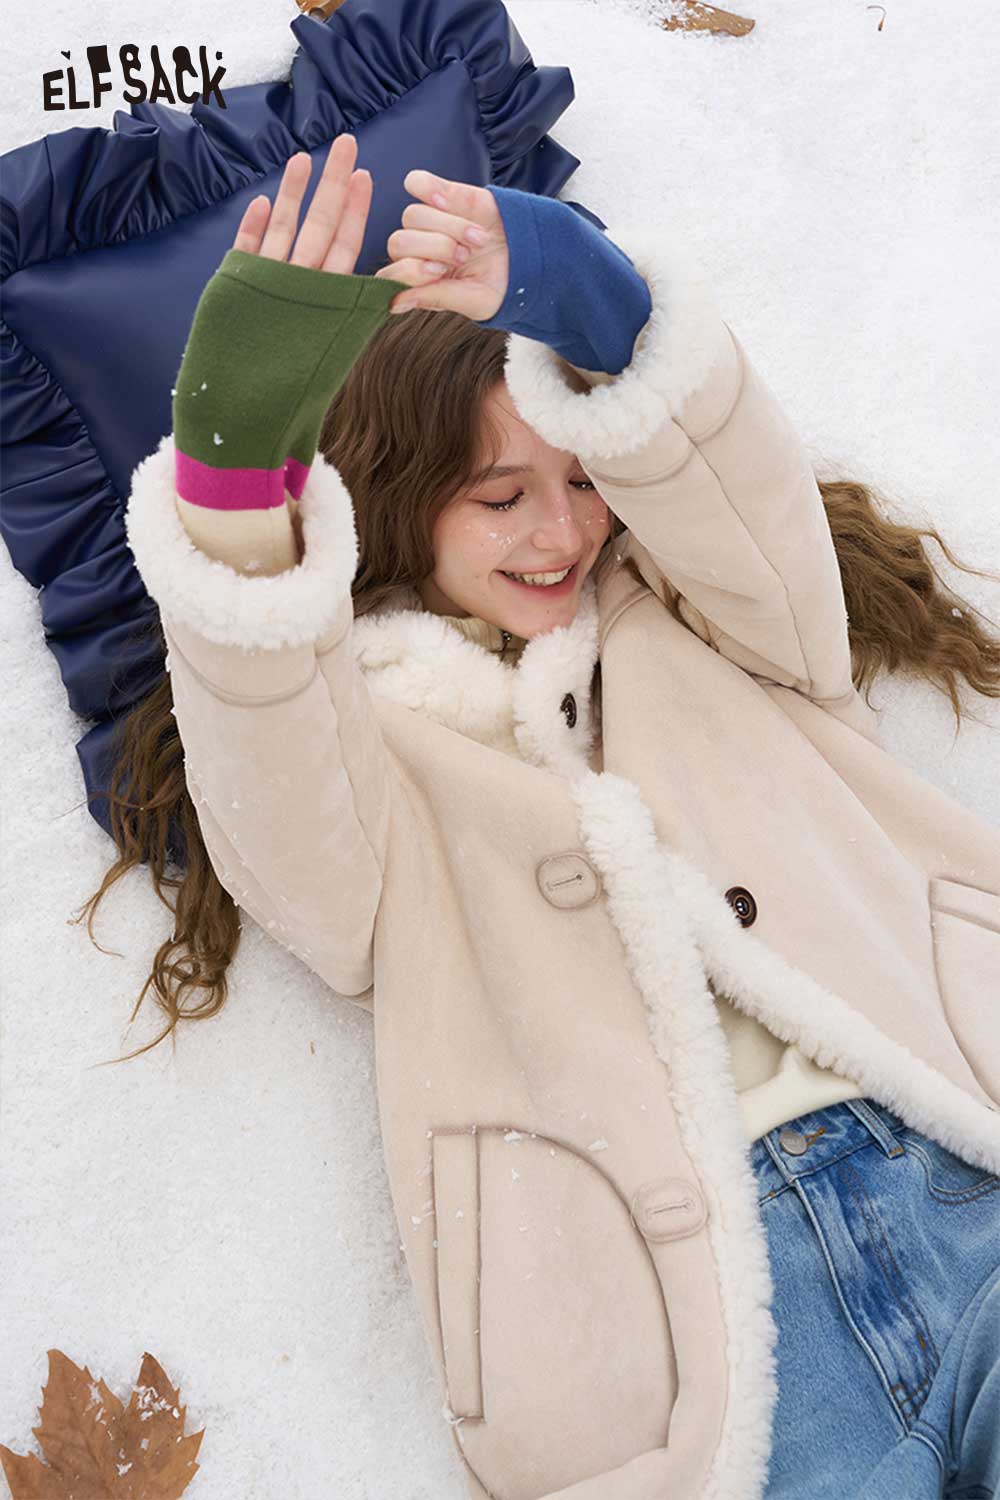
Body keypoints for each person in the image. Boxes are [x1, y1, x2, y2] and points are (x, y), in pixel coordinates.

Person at [87, 134, 1000, 1497]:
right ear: (400, 501)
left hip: (952, 1156)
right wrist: (234, 479)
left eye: (581, 482)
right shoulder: (379, 762)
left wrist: (595, 307)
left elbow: (724, 491)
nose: (558, 533)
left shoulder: (721, 621)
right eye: (499, 496)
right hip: (715, 1337)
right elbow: (280, 802)